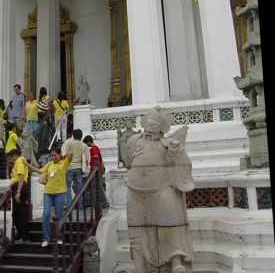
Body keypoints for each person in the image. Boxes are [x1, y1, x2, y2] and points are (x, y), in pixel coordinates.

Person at [123, 106, 194, 273]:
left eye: (154, 126)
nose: (149, 128)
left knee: (169, 226)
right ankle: (139, 265)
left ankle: (176, 261)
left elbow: (176, 164)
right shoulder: (134, 141)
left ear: (161, 129)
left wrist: (176, 152)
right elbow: (127, 162)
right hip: (135, 192)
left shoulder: (168, 144)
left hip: (161, 190)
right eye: (147, 124)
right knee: (136, 230)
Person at [25, 146, 73, 247]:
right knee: (46, 215)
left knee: (59, 215)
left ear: (59, 155)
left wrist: (63, 156)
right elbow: (39, 171)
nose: (52, 157)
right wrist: (27, 165)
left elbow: (71, 155)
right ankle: (46, 238)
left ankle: (60, 237)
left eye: (54, 155)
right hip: (48, 193)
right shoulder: (49, 164)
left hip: (60, 193)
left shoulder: (63, 164)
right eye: (51, 155)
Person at [5, 148, 30, 244]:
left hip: (20, 187)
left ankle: (24, 237)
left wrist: (18, 191)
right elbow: (15, 178)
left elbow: (21, 177)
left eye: (10, 157)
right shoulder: (18, 162)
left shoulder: (19, 162)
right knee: (17, 214)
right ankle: (21, 235)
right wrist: (10, 186)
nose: (10, 159)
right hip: (17, 187)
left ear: (14, 155)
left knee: (20, 214)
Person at [62, 129, 89, 210]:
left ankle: (69, 206)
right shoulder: (84, 145)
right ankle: (80, 206)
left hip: (69, 167)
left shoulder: (68, 142)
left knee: (68, 187)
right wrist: (85, 170)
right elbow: (87, 160)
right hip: (79, 168)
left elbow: (64, 155)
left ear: (73, 135)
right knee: (79, 189)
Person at [82, 135, 109, 209]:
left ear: (88, 142)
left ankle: (102, 202)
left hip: (95, 170)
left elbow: (95, 161)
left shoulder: (94, 149)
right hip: (97, 170)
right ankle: (100, 202)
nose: (87, 145)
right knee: (97, 187)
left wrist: (93, 171)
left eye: (86, 144)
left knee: (97, 187)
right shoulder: (95, 148)